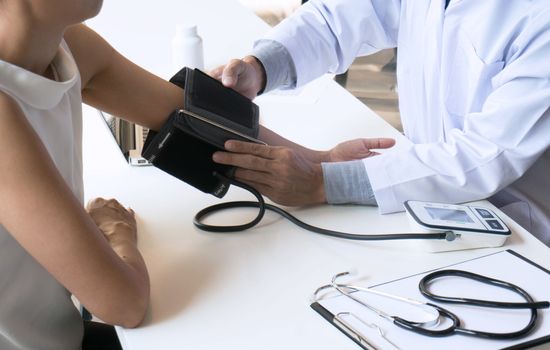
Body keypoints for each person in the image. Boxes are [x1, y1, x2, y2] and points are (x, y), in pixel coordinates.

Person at [211, 0, 550, 246]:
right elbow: (342, 16)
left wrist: (323, 182)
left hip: (521, 229)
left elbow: (485, 154)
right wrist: (262, 68)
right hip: (427, 196)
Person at [0, 0, 189, 349]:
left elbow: (194, 121)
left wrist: (318, 168)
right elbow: (124, 303)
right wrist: (117, 235)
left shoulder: (64, 44)